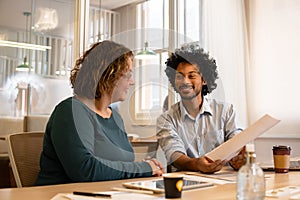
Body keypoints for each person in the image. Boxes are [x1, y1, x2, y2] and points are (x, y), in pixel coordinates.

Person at [36, 40, 164, 186]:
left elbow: (120, 164)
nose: (132, 82)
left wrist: (144, 166)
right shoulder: (71, 111)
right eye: (128, 75)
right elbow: (84, 169)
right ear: (109, 74)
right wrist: (142, 168)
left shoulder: (114, 116)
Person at [156, 43, 245, 174]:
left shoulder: (226, 111)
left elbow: (237, 142)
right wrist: (197, 164)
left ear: (204, 80)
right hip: (186, 186)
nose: (185, 81)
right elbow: (175, 156)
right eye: (179, 76)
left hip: (223, 181)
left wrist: (238, 158)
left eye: (191, 75)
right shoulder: (166, 119)